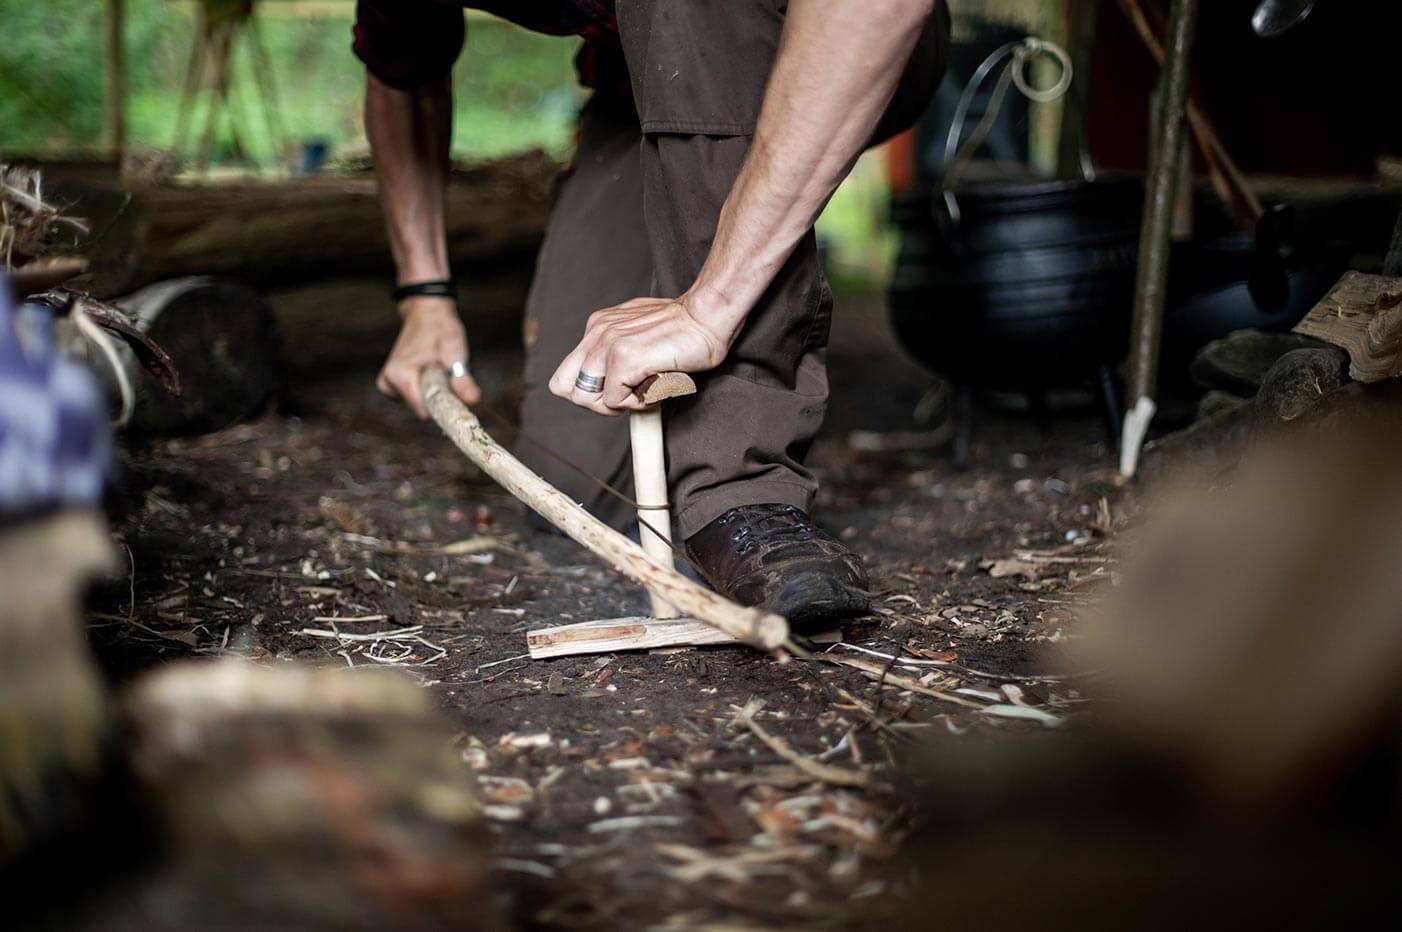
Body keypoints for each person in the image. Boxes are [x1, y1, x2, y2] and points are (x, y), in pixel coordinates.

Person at [356, 0, 949, 624]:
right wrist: (424, 297)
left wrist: (710, 307)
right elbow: (403, 67)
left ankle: (741, 489)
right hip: (646, 87)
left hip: (842, 42)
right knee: (577, 483)